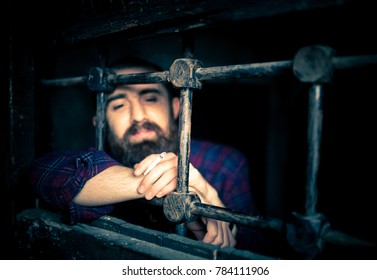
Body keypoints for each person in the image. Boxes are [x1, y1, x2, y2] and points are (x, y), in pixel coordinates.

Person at [29, 56, 260, 250]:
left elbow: (258, 250)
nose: (138, 116)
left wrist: (221, 231)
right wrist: (170, 180)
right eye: (119, 105)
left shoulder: (223, 163)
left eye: (150, 99)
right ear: (100, 123)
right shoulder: (96, 159)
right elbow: (40, 172)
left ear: (177, 108)